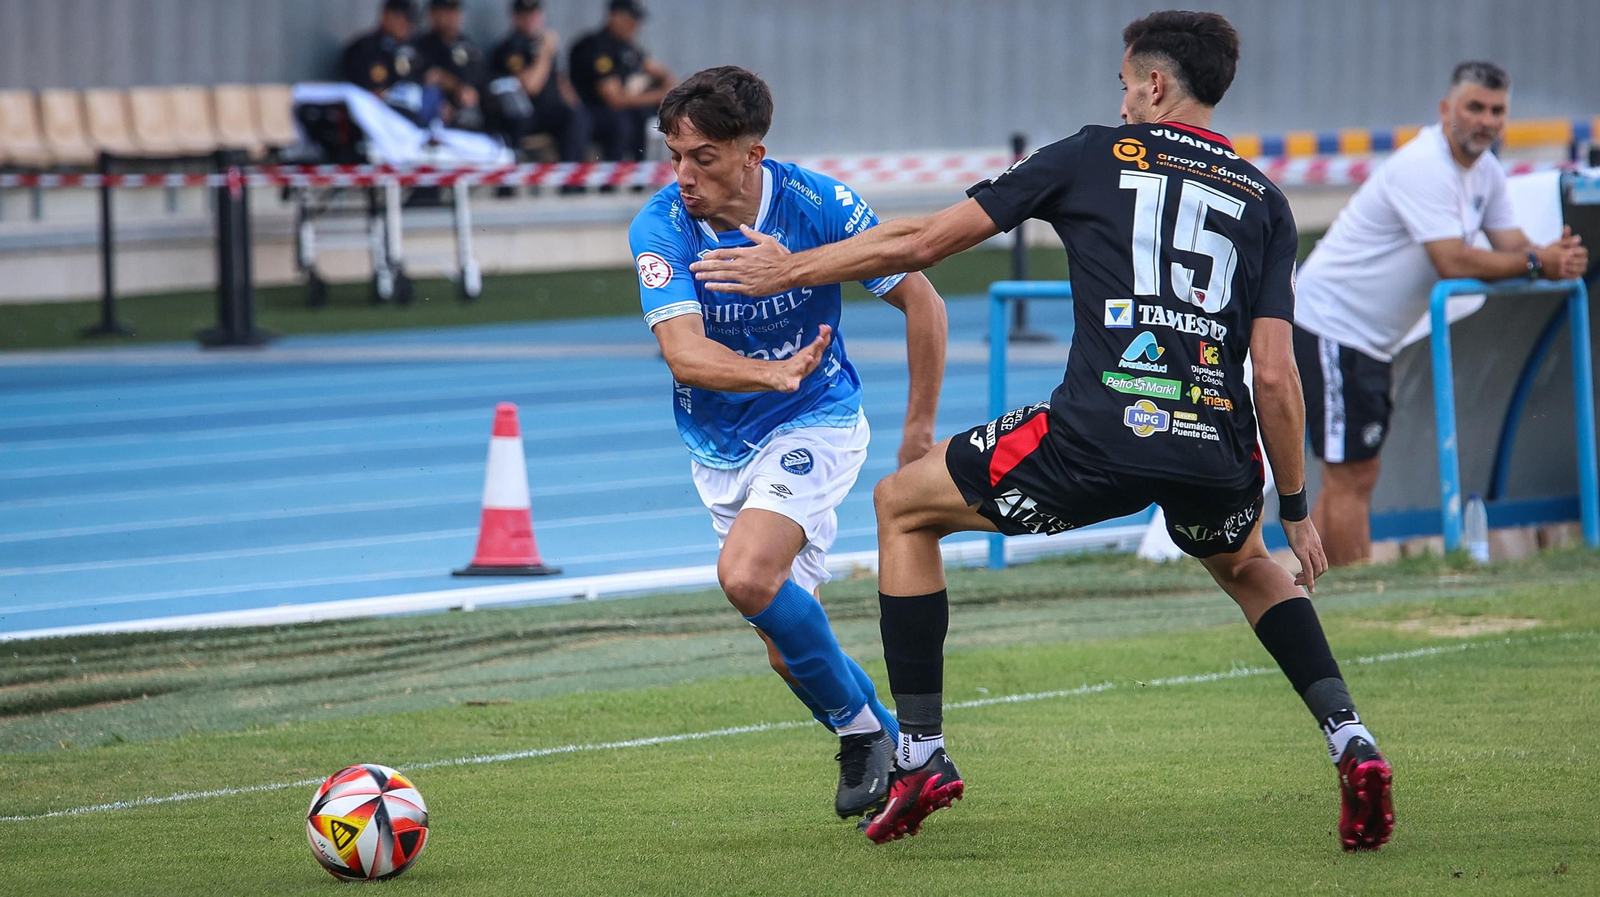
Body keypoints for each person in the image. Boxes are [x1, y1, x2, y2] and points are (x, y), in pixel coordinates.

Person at [691, 11, 1395, 852]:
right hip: (1215, 443)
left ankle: (918, 752)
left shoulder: (1093, 152)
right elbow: (1276, 377)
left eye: (1127, 83)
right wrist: (1295, 504)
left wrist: (790, 266)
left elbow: (922, 242)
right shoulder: (1265, 200)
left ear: (1156, 85)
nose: (1124, 98)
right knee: (1250, 566)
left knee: (902, 506)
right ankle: (1352, 740)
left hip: (1094, 436)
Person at [628, 66, 949, 820]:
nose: (684, 175)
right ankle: (890, 743)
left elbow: (923, 302)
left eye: (702, 157)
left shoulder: (819, 204)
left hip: (817, 421)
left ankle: (865, 739)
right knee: (785, 645)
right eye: (674, 155)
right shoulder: (662, 225)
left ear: (752, 153)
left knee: (744, 574)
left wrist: (919, 433)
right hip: (722, 445)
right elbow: (684, 353)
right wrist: (766, 374)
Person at [1291, 61, 1588, 566]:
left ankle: (1327, 589)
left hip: (1368, 340)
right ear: (1446, 110)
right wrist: (1540, 261)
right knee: (1349, 473)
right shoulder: (1423, 165)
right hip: (1330, 326)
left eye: (1497, 111)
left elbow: (1512, 245)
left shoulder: (1487, 172)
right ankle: (1352, 591)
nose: (1486, 121)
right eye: (1475, 107)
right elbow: (1452, 259)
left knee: (1356, 472)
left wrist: (1555, 257)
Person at [571, 0, 677, 161]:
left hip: (623, 110)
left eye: (637, 20)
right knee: (623, 122)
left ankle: (643, 174)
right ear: (614, 17)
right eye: (631, 19)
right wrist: (660, 95)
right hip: (592, 114)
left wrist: (667, 86)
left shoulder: (629, 47)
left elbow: (662, 72)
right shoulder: (595, 46)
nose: (636, 25)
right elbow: (615, 100)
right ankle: (613, 181)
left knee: (661, 114)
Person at [487, 0, 589, 161]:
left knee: (577, 117)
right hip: (523, 117)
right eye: (526, 15)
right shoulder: (510, 47)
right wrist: (544, 53)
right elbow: (530, 87)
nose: (532, 20)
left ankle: (573, 180)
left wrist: (577, 107)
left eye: (535, 15)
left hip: (549, 112)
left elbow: (561, 81)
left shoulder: (541, 45)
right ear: (516, 17)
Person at [340, 0, 430, 121]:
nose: (409, 26)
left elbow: (427, 79)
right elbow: (372, 95)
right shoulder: (365, 48)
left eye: (411, 21)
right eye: (405, 19)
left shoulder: (413, 50)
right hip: (380, 120)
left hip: (415, 120)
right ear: (388, 15)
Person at [414, 0, 486, 130]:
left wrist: (456, 86)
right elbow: (430, 77)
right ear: (433, 14)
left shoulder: (470, 47)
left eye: (456, 11)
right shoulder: (421, 45)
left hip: (467, 118)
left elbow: (476, 86)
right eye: (447, 12)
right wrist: (456, 87)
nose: (453, 17)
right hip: (430, 121)